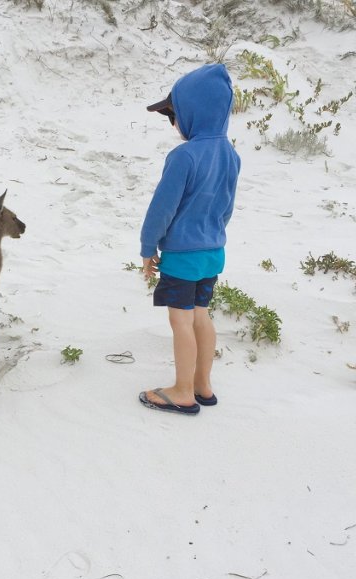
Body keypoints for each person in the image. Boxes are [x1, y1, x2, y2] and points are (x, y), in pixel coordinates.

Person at [139, 63, 241, 416]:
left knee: (180, 321)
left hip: (183, 256)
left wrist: (147, 247)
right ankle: (203, 384)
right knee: (201, 315)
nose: (174, 124)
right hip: (214, 251)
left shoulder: (184, 156)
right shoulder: (231, 154)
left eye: (174, 115)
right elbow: (226, 207)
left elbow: (161, 209)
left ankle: (182, 391)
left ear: (193, 113)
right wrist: (214, 234)